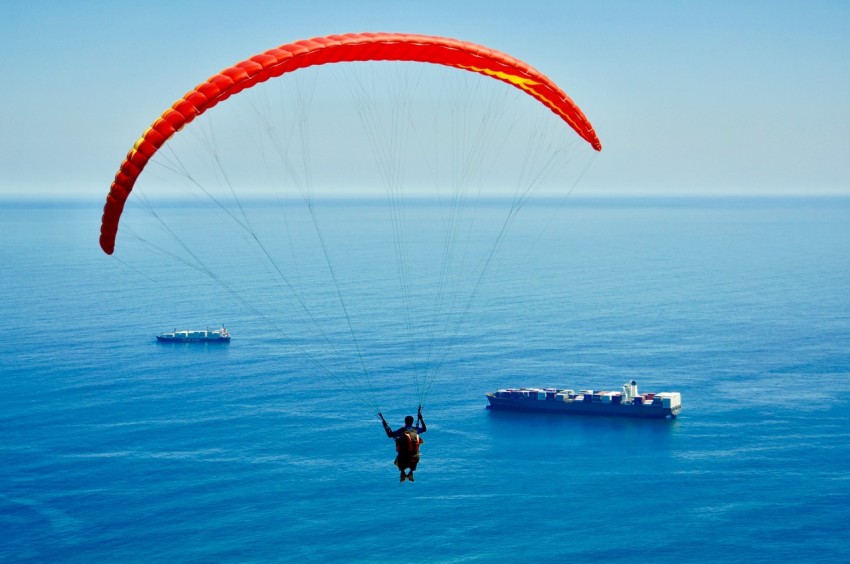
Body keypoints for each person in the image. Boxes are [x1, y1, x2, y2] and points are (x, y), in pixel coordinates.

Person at [379, 406, 426, 482]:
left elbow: (390, 435)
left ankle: (403, 473)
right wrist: (421, 419)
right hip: (414, 454)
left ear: (405, 421)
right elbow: (424, 429)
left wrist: (385, 425)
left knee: (399, 462)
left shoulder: (402, 430)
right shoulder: (416, 429)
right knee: (415, 459)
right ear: (412, 421)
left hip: (403, 454)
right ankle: (410, 472)